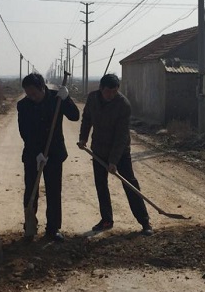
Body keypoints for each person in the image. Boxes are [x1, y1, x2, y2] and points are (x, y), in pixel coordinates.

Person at [78, 74, 153, 236]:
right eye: (108, 91)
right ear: (101, 88)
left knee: (130, 184)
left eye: (114, 91)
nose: (111, 95)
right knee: (101, 185)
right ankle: (106, 220)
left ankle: (144, 221)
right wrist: (83, 138)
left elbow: (121, 136)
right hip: (98, 149)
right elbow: (87, 119)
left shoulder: (123, 105)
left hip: (120, 152)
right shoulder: (92, 99)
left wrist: (113, 161)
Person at [17, 73, 79, 242]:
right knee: (31, 190)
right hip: (32, 154)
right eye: (28, 94)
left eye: (34, 94)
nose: (31, 97)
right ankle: (30, 226)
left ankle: (53, 228)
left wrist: (67, 99)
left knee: (53, 191)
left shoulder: (57, 98)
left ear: (42, 88)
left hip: (55, 152)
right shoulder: (23, 105)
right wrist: (37, 153)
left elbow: (75, 116)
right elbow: (25, 132)